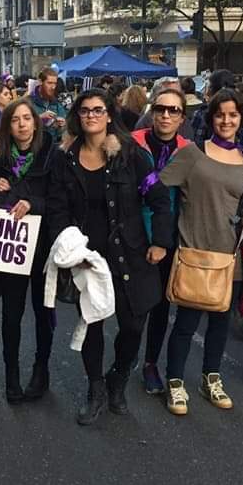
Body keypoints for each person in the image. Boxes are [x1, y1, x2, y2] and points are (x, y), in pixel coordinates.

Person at [47, 88, 173, 424]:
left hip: (130, 255)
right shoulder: (63, 156)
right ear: (77, 115)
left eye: (98, 110)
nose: (91, 116)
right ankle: (97, 388)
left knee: (133, 325)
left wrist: (160, 241)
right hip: (86, 257)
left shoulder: (130, 153)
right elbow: (56, 208)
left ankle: (119, 376)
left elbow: (159, 198)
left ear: (108, 115)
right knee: (91, 324)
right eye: (85, 110)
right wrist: (69, 247)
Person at [160, 88, 243, 415]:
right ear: (211, 117)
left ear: (241, 118)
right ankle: (174, 382)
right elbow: (157, 186)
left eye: (233, 114)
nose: (227, 120)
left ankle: (210, 379)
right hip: (194, 254)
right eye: (220, 114)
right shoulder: (193, 153)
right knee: (186, 324)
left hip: (231, 259)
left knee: (220, 325)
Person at [0, 97, 56, 402]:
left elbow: (56, 198)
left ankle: (40, 370)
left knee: (44, 314)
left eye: (27, 118)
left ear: (35, 121)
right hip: (11, 245)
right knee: (12, 314)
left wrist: (27, 200)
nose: (21, 125)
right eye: (15, 119)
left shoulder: (50, 154)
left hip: (43, 246)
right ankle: (11, 375)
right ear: (8, 125)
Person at [131, 88, 190, 395]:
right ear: (152, 112)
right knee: (132, 306)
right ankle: (125, 355)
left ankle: (151, 362)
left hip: (169, 237)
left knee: (160, 306)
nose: (166, 115)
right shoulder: (132, 144)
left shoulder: (189, 151)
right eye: (161, 109)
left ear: (182, 117)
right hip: (132, 234)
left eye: (174, 110)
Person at [31, 67, 67, 143]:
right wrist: (39, 118)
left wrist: (61, 126)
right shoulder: (28, 102)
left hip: (52, 148)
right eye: (49, 83)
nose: (53, 87)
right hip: (33, 147)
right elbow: (21, 126)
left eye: (55, 83)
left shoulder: (57, 104)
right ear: (40, 82)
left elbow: (62, 134)